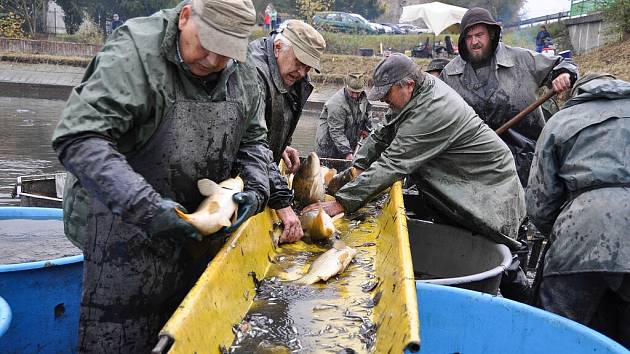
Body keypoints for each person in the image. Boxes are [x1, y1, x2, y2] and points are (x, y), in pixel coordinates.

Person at [51, 0, 270, 351]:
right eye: (208, 45)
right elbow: (79, 138)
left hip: (196, 230)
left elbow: (256, 142)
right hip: (122, 228)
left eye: (227, 52)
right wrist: (149, 210)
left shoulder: (243, 75)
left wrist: (257, 187)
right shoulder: (135, 52)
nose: (214, 62)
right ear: (185, 17)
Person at [306, 53, 526, 255]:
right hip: (457, 178)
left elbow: (393, 164)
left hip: (488, 183)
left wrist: (342, 202)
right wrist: (357, 168)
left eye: (386, 93)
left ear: (408, 85)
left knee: (494, 245)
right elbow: (383, 132)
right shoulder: (415, 95)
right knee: (455, 235)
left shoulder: (432, 109)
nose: (383, 100)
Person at [526, 73, 630, 347]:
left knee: (554, 334)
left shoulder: (561, 121)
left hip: (581, 231)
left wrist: (560, 231)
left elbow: (539, 202)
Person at [440, 7, 576, 186]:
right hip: (475, 163)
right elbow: (435, 109)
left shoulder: (521, 59)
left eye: (479, 35)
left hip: (526, 159)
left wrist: (564, 74)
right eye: (469, 37)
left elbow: (562, 64)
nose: (474, 42)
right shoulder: (450, 74)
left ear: (491, 34)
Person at [248, 19, 326, 243]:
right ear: (278, 47)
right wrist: (282, 202)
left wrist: (281, 144)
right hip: (242, 178)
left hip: (263, 170)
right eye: (299, 62)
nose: (302, 72)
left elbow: (271, 117)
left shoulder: (287, 72)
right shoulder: (253, 73)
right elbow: (250, 141)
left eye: (308, 67)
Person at [315, 72, 372, 160]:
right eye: (352, 92)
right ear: (346, 86)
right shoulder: (336, 104)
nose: (354, 95)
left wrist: (366, 129)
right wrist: (347, 152)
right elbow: (336, 131)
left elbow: (367, 112)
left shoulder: (364, 97)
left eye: (357, 92)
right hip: (328, 148)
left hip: (348, 142)